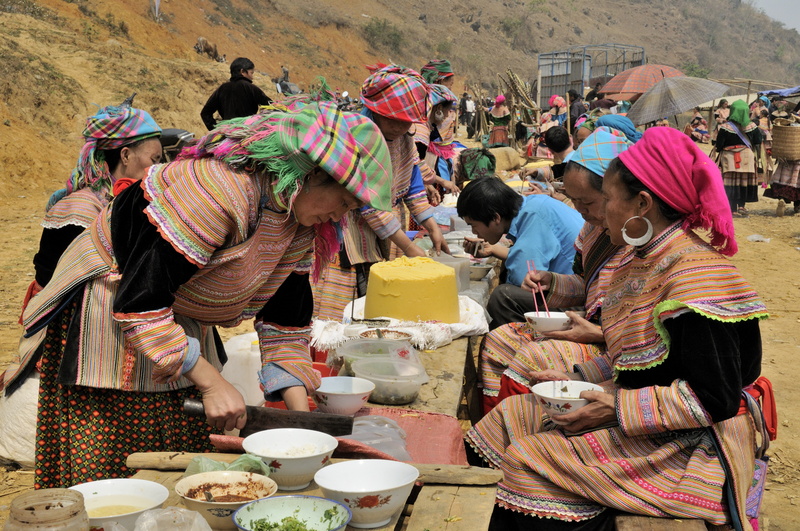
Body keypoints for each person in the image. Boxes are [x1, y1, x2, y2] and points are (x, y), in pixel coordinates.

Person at [20, 102, 393, 487]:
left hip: (171, 308)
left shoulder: (297, 223)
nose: (340, 217)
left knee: (182, 439)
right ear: (312, 174)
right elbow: (142, 301)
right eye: (343, 202)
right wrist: (212, 383)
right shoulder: (217, 192)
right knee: (121, 461)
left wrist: (304, 425)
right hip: (111, 302)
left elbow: (284, 321)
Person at [467, 126, 768, 530]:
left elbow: (713, 399)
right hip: (651, 418)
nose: (593, 212)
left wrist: (613, 406)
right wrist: (578, 378)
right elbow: (638, 361)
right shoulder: (638, 260)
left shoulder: (696, 280)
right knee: (509, 417)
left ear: (642, 203)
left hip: (691, 446)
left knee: (526, 459)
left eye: (605, 199)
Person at [0, 100, 163, 396]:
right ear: (126, 155)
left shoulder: (121, 202)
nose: (158, 168)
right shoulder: (81, 209)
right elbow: (54, 280)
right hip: (68, 334)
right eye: (154, 159)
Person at [478, 127, 633, 413]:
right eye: (573, 199)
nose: (579, 210)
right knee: (497, 341)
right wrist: (552, 281)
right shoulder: (593, 229)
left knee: (531, 357)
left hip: (615, 349)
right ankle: (494, 417)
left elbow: (646, 332)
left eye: (587, 202)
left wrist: (599, 333)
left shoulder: (637, 242)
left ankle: (524, 421)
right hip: (591, 326)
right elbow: (587, 283)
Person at [312, 65, 449, 320]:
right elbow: (367, 203)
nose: (398, 127)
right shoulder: (358, 137)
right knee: (347, 303)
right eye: (391, 119)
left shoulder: (405, 141)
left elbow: (413, 186)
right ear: (374, 111)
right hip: (348, 228)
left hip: (385, 229)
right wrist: (409, 247)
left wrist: (432, 227)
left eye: (405, 121)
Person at [457, 177, 583, 328]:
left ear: (496, 217)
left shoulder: (534, 216)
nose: (474, 232)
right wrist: (493, 250)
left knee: (504, 297)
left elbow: (522, 279)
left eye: (473, 225)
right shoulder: (534, 204)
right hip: (578, 289)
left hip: (578, 300)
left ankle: (515, 340)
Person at [716, 99, 762, 216]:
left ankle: (732, 209)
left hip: (729, 158)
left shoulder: (725, 127)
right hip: (746, 158)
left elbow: (719, 145)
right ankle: (742, 206)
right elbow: (758, 140)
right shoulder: (752, 126)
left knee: (731, 182)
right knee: (743, 181)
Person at [413, 83, 461, 195]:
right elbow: (416, 164)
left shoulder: (426, 127)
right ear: (439, 108)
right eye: (448, 110)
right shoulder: (421, 131)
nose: (447, 115)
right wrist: (442, 181)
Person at [200, 57, 272, 130]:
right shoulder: (250, 88)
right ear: (242, 71)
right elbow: (272, 106)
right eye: (251, 73)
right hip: (247, 132)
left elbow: (205, 113)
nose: (252, 77)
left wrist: (216, 129)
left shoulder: (222, 88)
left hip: (227, 133)